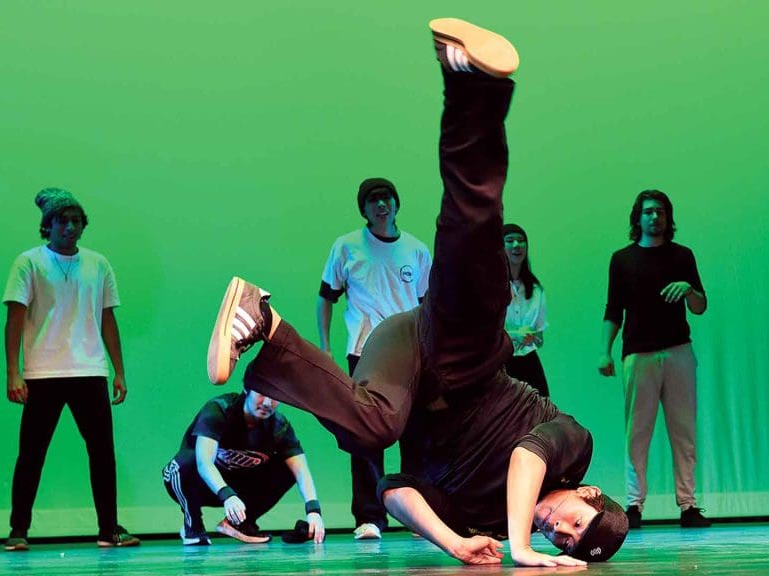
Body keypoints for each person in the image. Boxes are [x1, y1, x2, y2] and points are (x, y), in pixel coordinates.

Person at [205, 17, 627, 566]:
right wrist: (520, 547)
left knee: (375, 432)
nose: (557, 529)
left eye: (562, 541)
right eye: (574, 521)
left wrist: (455, 542)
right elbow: (528, 454)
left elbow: (395, 492)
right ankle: (473, 85)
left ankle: (262, 320)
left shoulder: (489, 518)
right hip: (462, 357)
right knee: (475, 242)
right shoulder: (574, 447)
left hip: (402, 373)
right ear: (588, 492)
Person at [3, 188, 140, 551]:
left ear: (83, 225)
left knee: (101, 452)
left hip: (89, 370)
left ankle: (108, 529)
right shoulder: (28, 262)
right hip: (43, 372)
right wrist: (13, 372)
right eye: (61, 221)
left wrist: (119, 371)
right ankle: (18, 530)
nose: (69, 226)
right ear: (46, 226)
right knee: (31, 454)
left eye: (75, 220)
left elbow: (108, 319)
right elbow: (14, 319)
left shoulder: (99, 264)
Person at [317, 176, 432, 539]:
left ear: (397, 204)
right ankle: (369, 516)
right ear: (364, 208)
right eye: (373, 200)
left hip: (410, 355)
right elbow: (325, 297)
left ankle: (418, 516)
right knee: (366, 436)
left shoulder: (416, 249)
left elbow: (428, 306)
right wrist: (325, 347)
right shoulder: (347, 246)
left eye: (386, 198)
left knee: (417, 437)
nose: (381, 205)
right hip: (364, 353)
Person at [598, 189, 711, 530]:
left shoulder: (682, 256)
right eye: (648, 211)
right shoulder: (622, 259)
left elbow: (701, 306)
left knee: (683, 430)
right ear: (638, 217)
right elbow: (613, 309)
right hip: (639, 354)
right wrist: (605, 350)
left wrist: (689, 289)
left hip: (677, 351)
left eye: (660, 211)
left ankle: (688, 505)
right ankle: (634, 505)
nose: (654, 217)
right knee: (638, 433)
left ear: (668, 217)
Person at [162, 387, 326, 545]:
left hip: (239, 489)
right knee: (183, 464)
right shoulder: (220, 409)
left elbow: (302, 472)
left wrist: (313, 511)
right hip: (202, 485)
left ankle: (240, 523)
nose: (268, 403)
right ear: (247, 389)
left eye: (275, 396)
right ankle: (193, 526)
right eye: (261, 394)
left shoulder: (278, 426)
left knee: (289, 469)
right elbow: (203, 462)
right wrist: (227, 495)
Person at [502, 223, 549, 397]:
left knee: (542, 414)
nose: (516, 245)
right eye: (510, 241)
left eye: (521, 241)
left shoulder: (535, 289)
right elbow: (484, 333)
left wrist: (533, 335)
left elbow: (540, 339)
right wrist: (515, 335)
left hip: (528, 359)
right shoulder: (490, 287)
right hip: (500, 361)